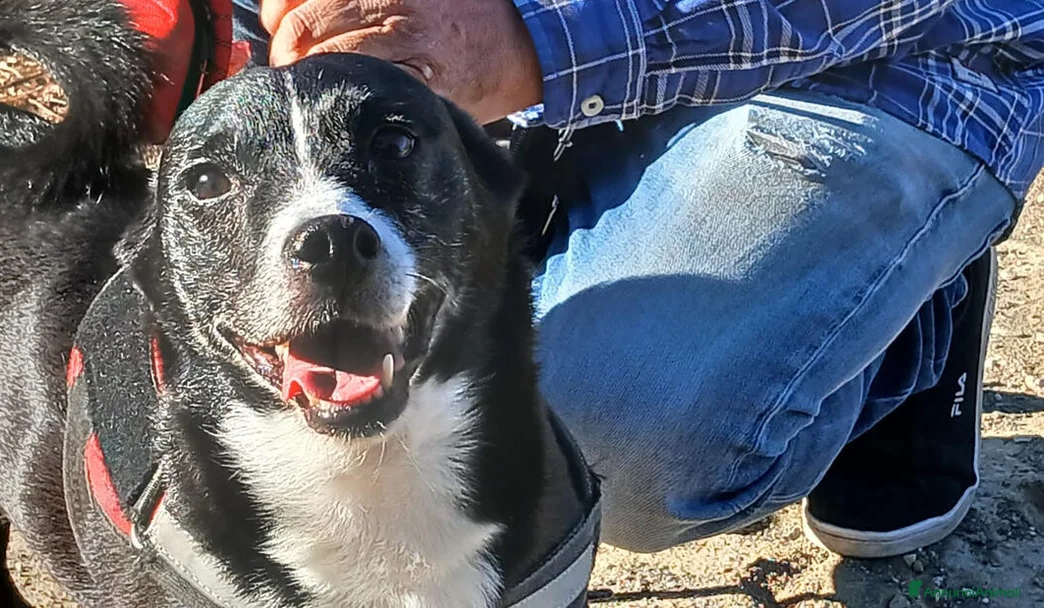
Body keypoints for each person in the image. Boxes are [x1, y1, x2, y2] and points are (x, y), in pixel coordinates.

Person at [123, 0, 1042, 558]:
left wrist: (531, 39)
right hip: (513, 101)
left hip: (872, 63)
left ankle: (901, 311)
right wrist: (214, 41)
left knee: (578, 446)